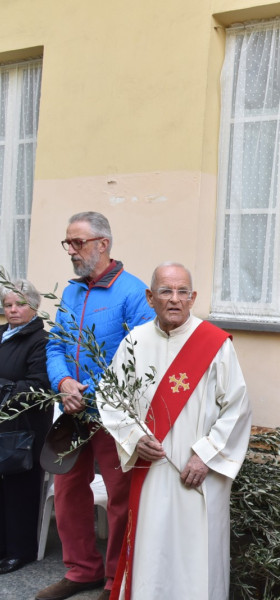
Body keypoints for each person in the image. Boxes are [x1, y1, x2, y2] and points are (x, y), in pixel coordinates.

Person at [97, 262, 252, 600]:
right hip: (151, 471)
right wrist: (135, 437)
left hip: (200, 476)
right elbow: (110, 397)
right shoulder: (135, 342)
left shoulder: (214, 343)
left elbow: (237, 408)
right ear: (150, 297)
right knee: (151, 552)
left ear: (193, 297)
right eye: (166, 291)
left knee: (197, 557)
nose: (175, 299)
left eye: (183, 292)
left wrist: (207, 456)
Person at [38, 212, 155, 600]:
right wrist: (63, 382)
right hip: (71, 414)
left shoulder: (135, 293)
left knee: (121, 496)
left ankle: (114, 577)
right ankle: (81, 570)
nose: (71, 251)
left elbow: (144, 357)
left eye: (78, 243)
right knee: (68, 490)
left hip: (114, 415)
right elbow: (55, 345)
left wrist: (97, 393)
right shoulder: (71, 292)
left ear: (103, 244)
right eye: (68, 243)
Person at [0, 279, 52, 574]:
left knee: (21, 487)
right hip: (2, 424)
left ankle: (21, 551)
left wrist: (4, 389)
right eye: (8, 305)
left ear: (34, 306)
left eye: (20, 304)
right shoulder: (2, 335)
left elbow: (38, 385)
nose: (13, 310)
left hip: (24, 427)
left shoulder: (40, 341)